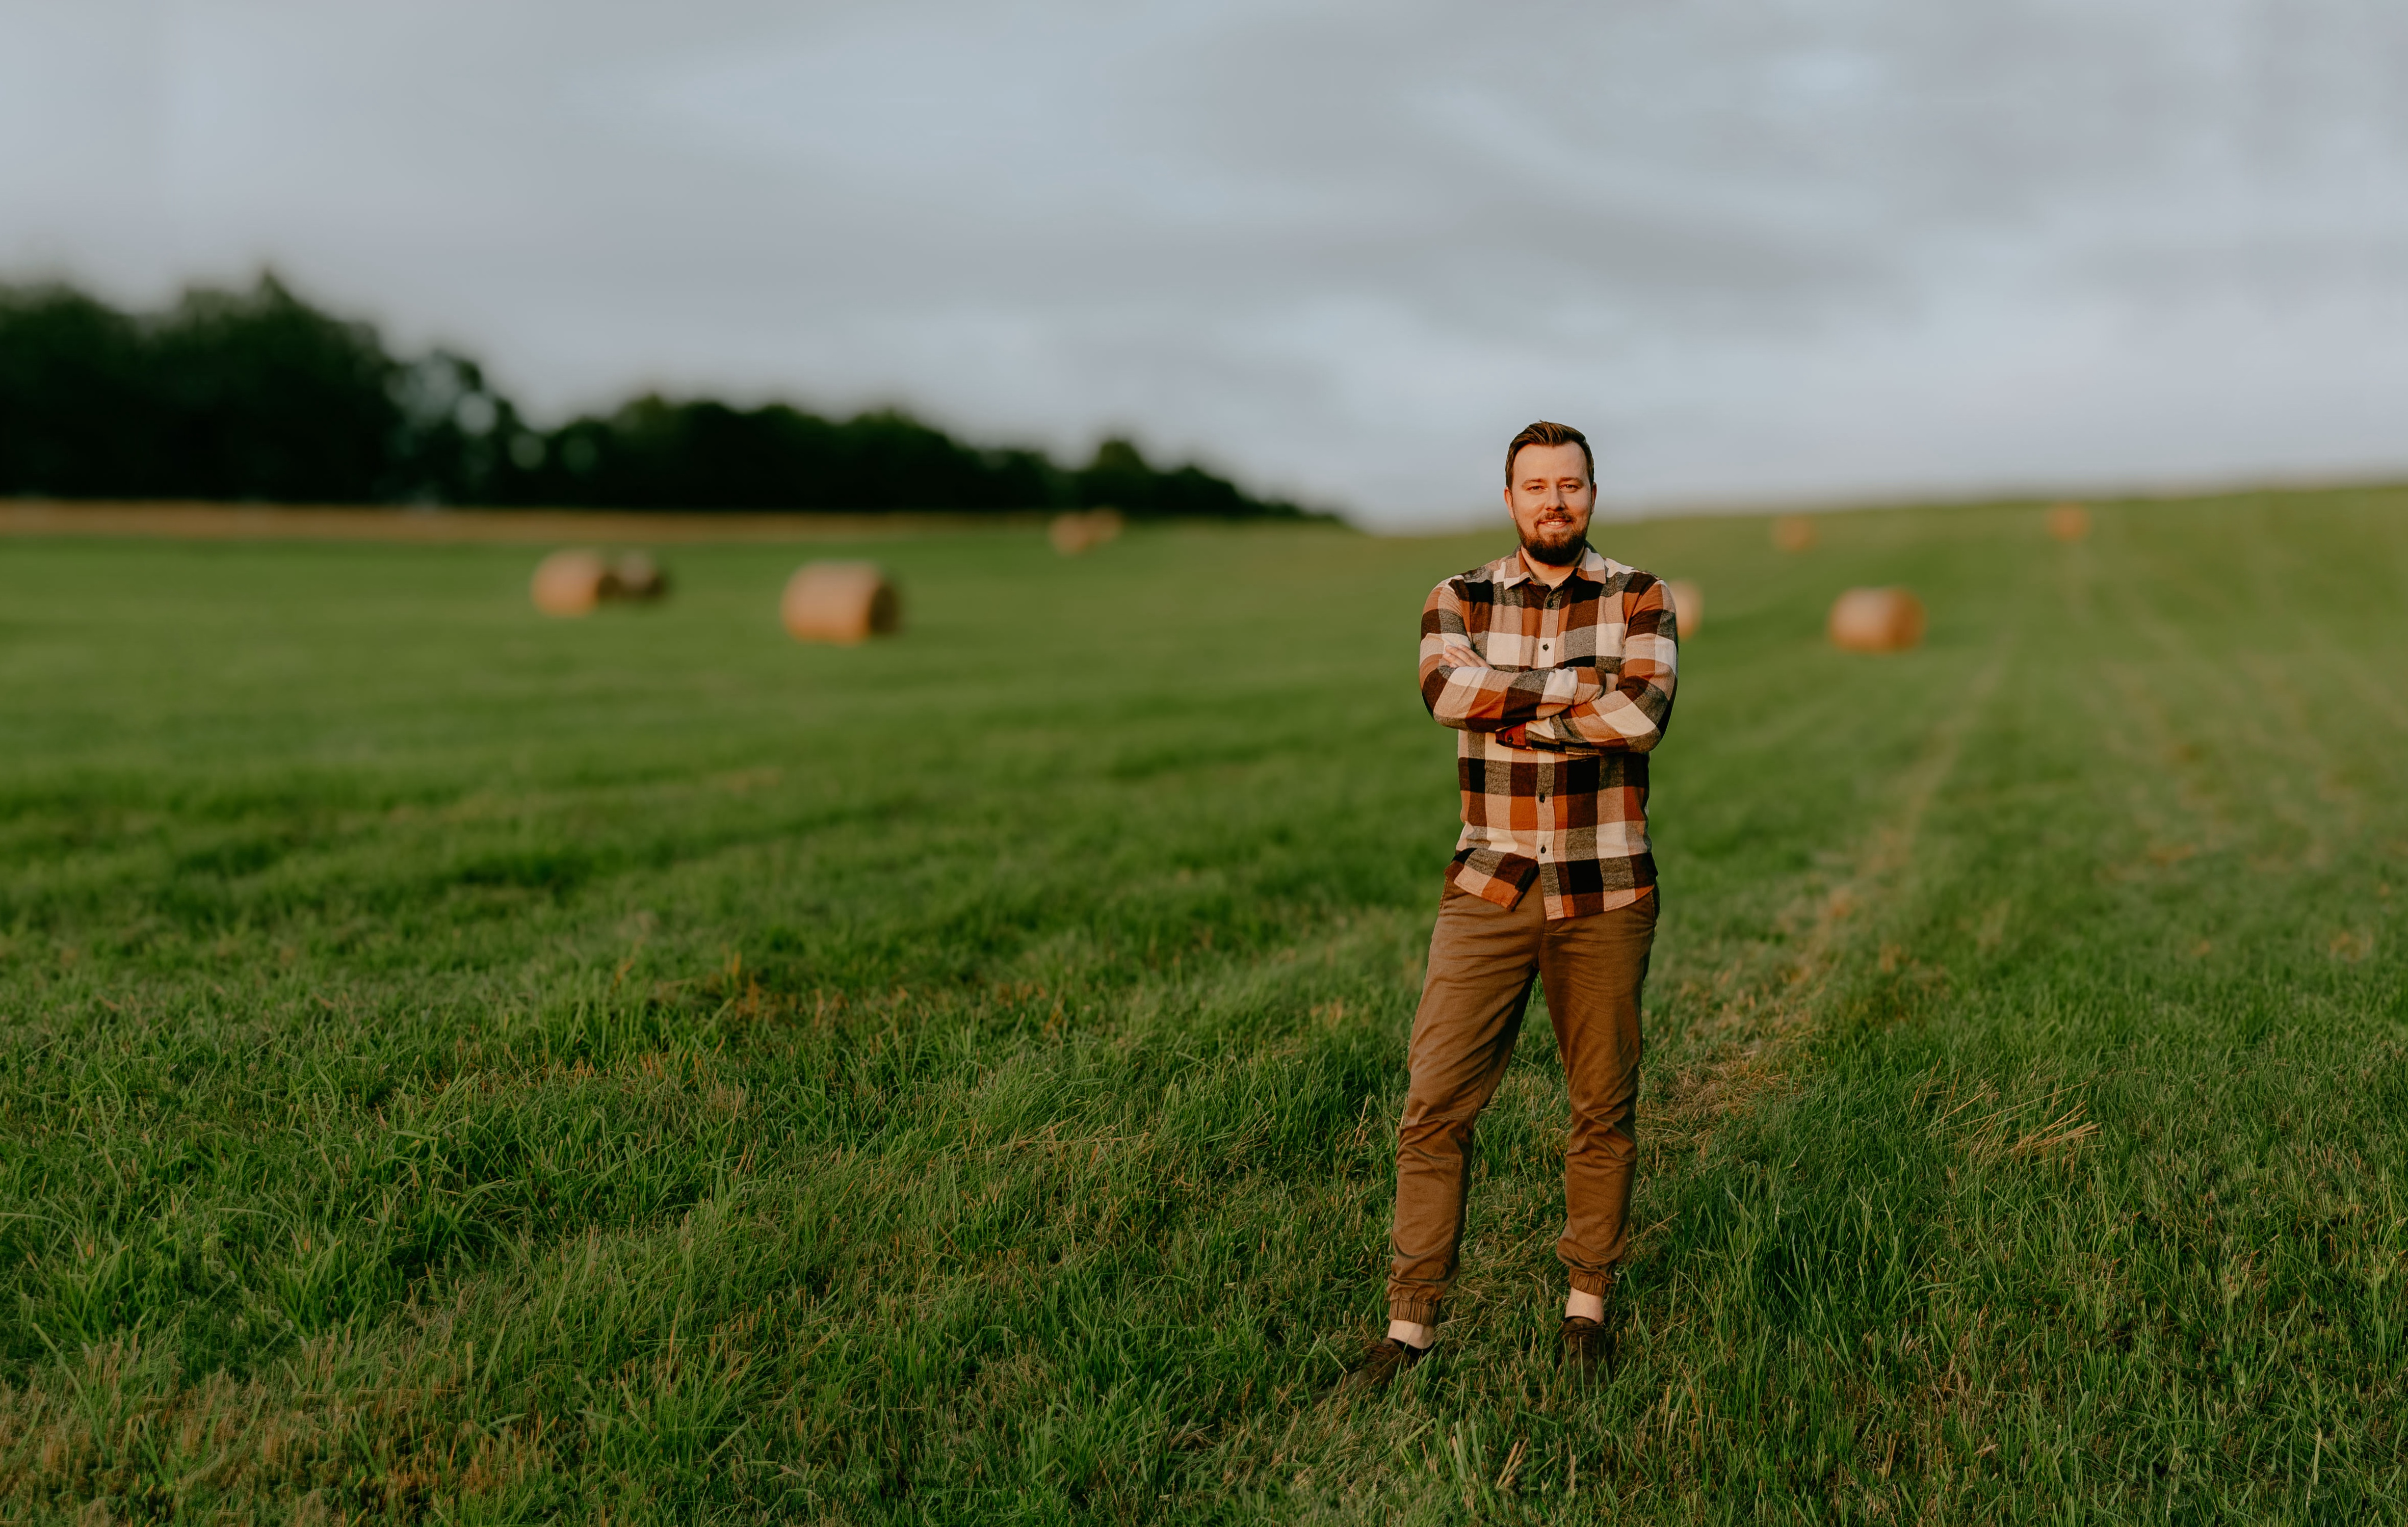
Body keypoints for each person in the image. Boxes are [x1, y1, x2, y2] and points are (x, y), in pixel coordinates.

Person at [1349, 419, 1678, 1391]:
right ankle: (1411, 1325)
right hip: (1488, 885)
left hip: (1606, 886)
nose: (1554, 502)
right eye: (1535, 487)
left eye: (1570, 485)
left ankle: (1587, 1307)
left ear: (1592, 493)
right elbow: (1447, 693)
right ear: (1509, 498)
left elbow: (1643, 716)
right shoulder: (1458, 596)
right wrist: (1577, 692)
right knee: (1434, 1104)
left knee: (1602, 1106)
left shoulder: (1639, 595)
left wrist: (1519, 705)